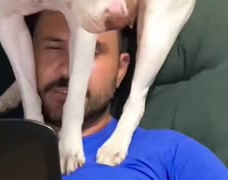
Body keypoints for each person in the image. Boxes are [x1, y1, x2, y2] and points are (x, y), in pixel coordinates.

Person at [31, 10, 228, 179]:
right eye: (53, 48)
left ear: (120, 70)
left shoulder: (169, 152)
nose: (68, 70)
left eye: (91, 53)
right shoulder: (1, 148)